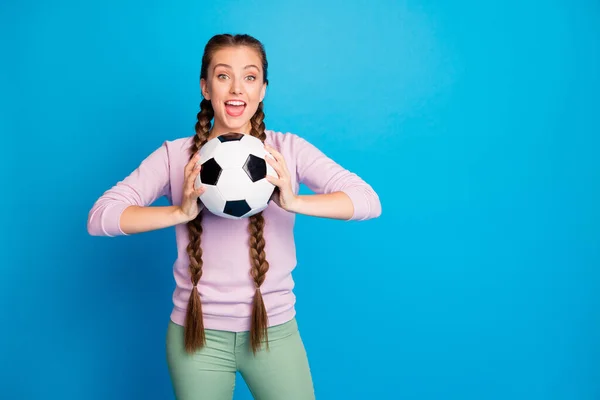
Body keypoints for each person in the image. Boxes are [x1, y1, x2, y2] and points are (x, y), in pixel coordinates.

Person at [87, 33, 382, 400]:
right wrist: (180, 212)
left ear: (263, 90)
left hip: (274, 331)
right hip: (195, 336)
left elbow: (367, 201)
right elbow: (101, 217)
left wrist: (292, 201)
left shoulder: (287, 150)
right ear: (205, 87)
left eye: (250, 76)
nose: (237, 88)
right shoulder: (175, 156)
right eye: (223, 75)